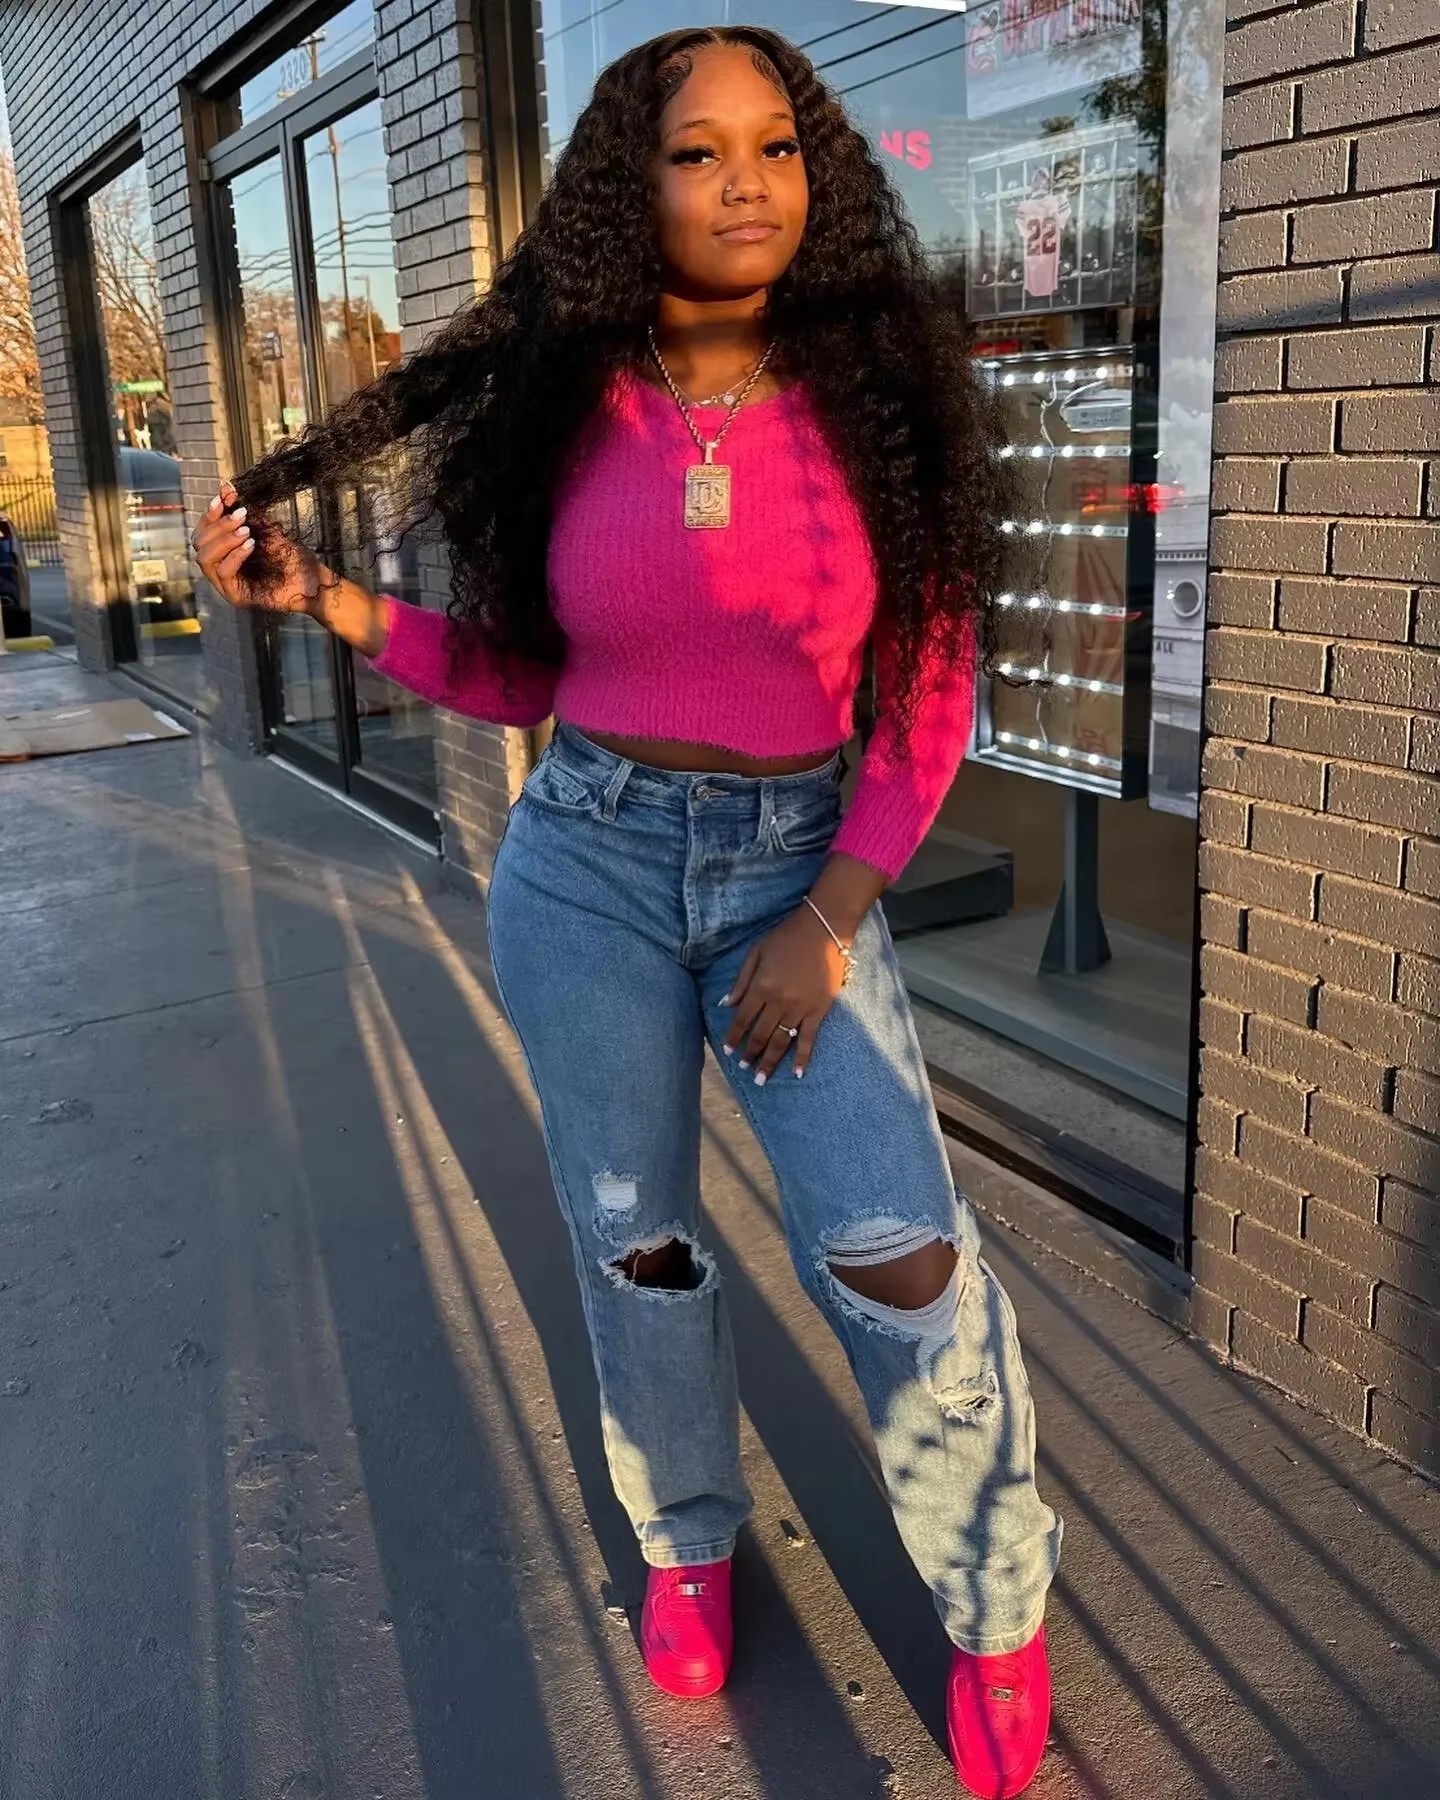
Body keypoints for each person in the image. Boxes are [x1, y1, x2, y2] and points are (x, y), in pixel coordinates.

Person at [193, 26, 1062, 1797]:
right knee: (637, 1240)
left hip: (800, 866)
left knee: (897, 1252)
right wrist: (326, 604)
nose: (746, 182)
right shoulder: (569, 402)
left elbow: (928, 695)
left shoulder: (875, 390)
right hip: (587, 860)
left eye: (776, 145)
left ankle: (996, 1599)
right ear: (628, 185)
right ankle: (684, 1538)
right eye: (696, 151)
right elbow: (523, 678)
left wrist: (830, 912)